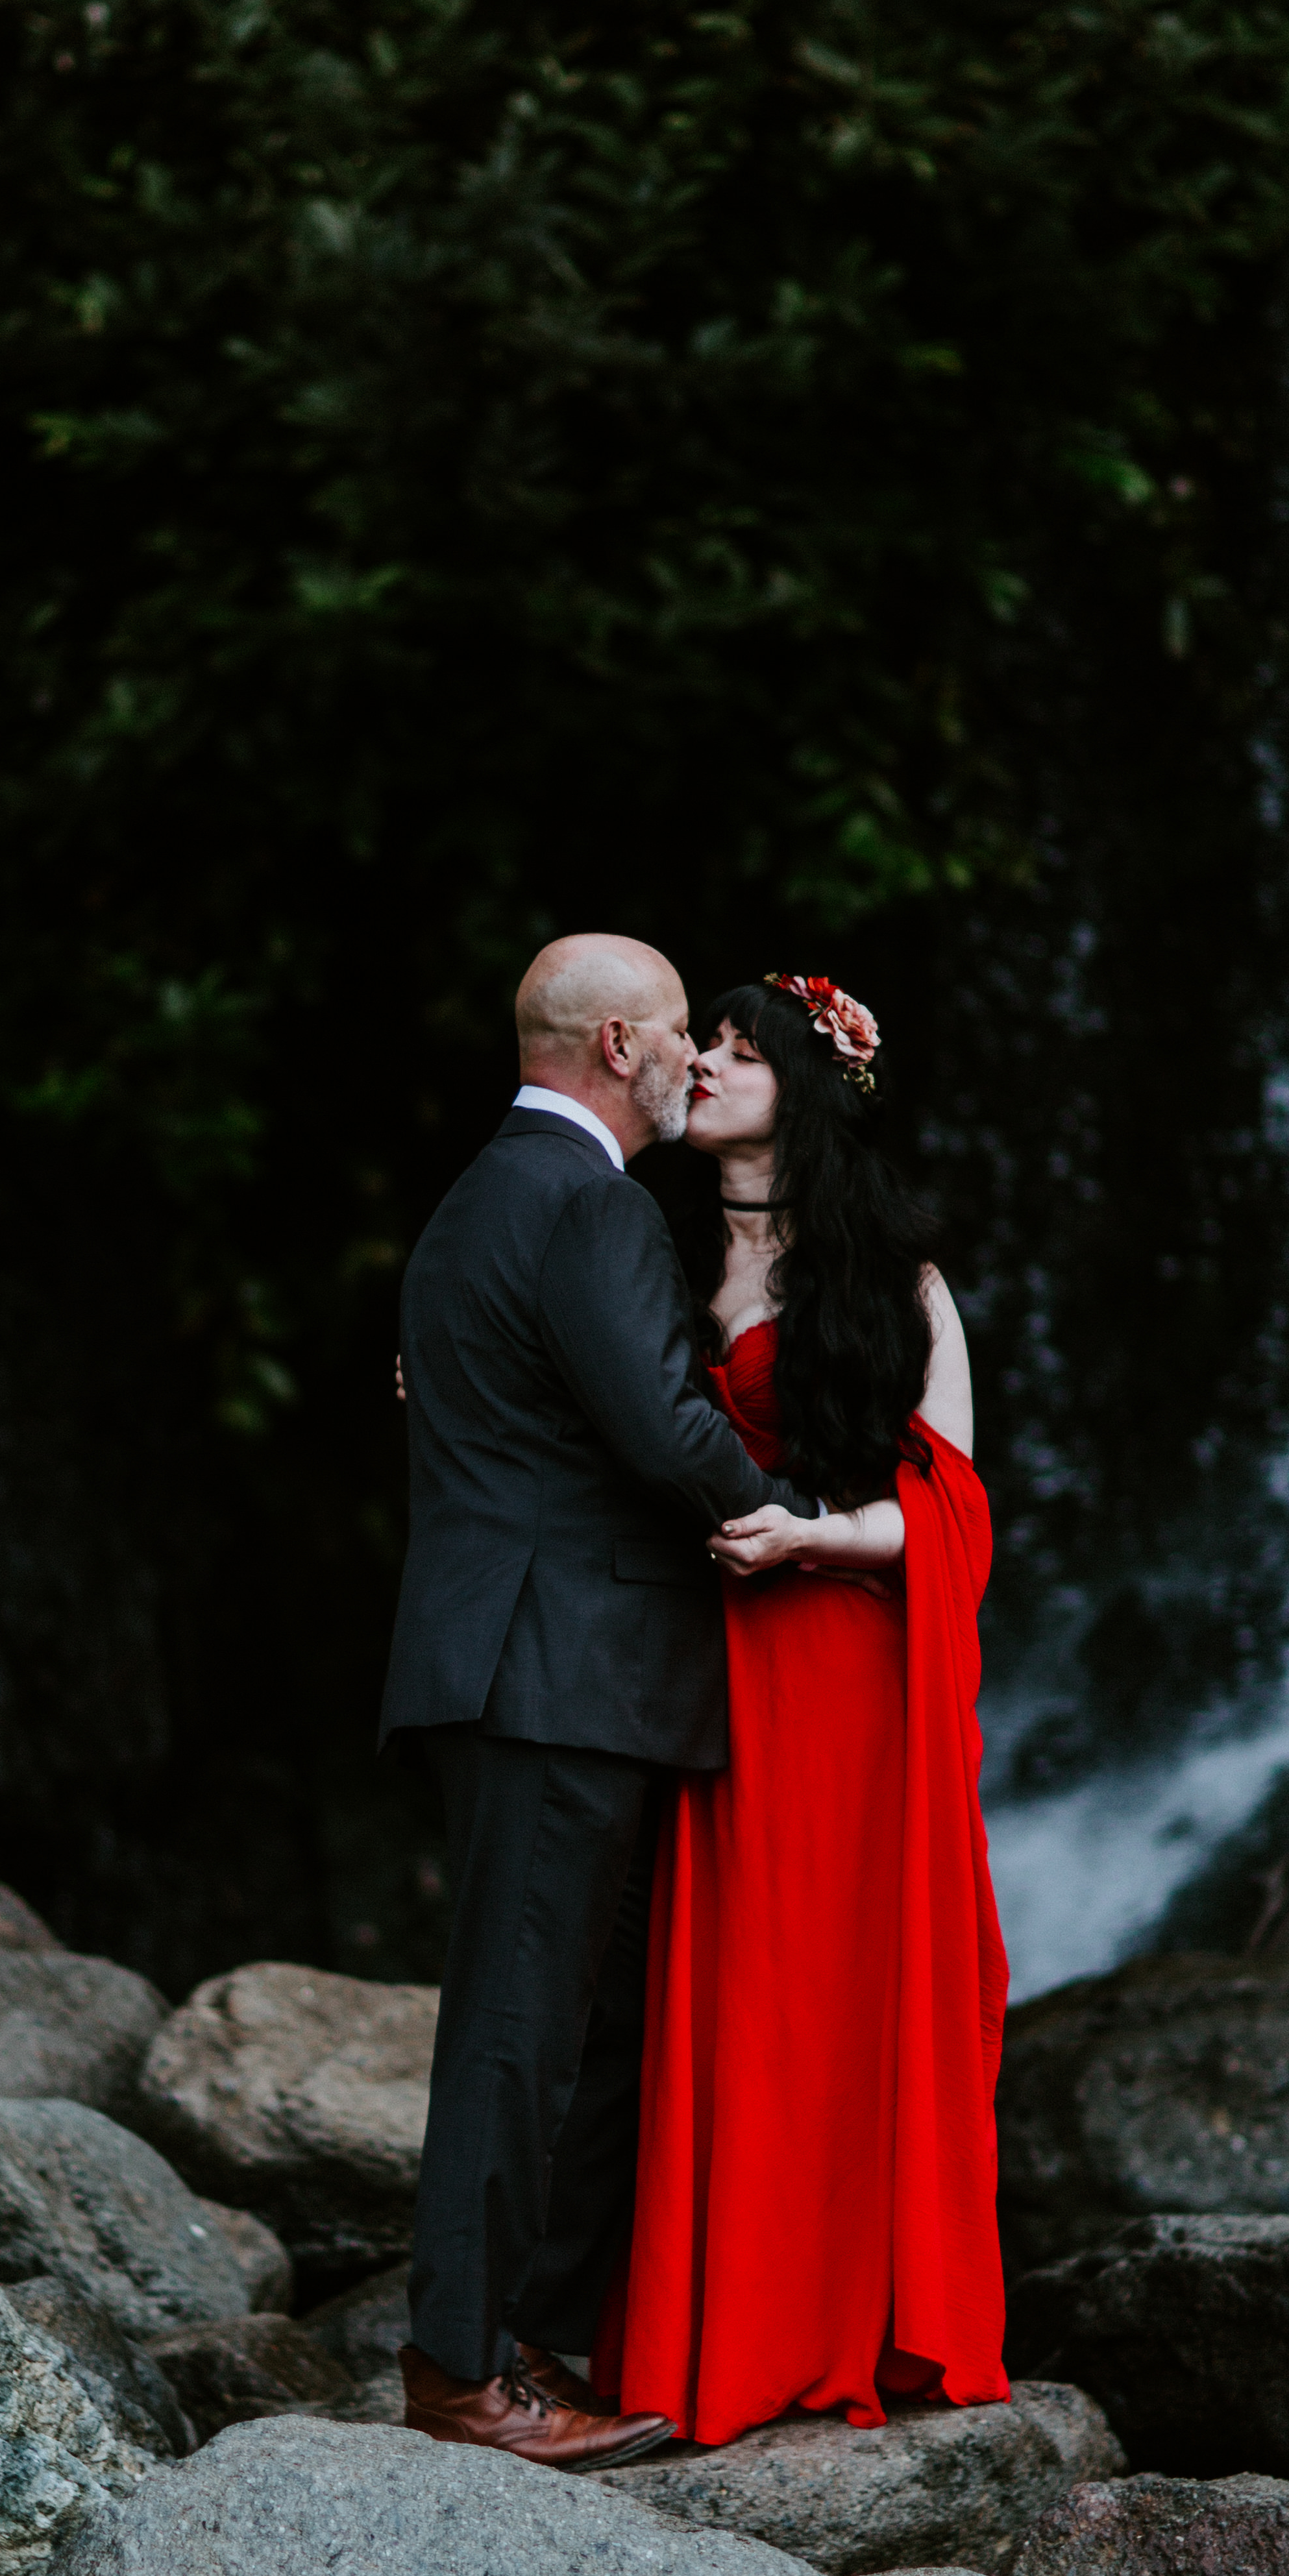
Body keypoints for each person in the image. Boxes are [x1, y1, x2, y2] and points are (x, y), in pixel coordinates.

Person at [381, 931, 821, 2468]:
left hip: (525, 1665)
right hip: (557, 1672)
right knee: (521, 2024)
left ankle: (532, 2334)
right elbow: (663, 1429)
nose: (700, 1057)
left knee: (591, 2024)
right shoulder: (592, 1207)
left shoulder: (475, 1204)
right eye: (683, 1033)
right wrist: (800, 1512)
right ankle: (461, 2373)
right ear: (621, 1048)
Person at [593, 970, 1011, 2444]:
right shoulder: (654, 1242)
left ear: (806, 1086)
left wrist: (816, 1538)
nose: (703, 1063)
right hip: (711, 1664)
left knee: (838, 1984)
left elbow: (952, 1508)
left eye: (736, 1048)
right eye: (701, 1040)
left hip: (837, 1665)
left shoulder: (896, 1279)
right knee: (737, 1995)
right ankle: (731, 2328)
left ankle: (846, 2321)